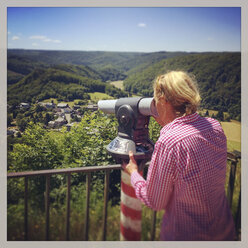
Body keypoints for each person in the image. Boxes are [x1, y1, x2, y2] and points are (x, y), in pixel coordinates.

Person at [123, 71, 236, 241]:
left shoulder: (170, 141)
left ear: (164, 100)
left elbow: (155, 201)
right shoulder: (215, 127)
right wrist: (168, 122)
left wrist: (134, 174)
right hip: (223, 232)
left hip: (188, 236)